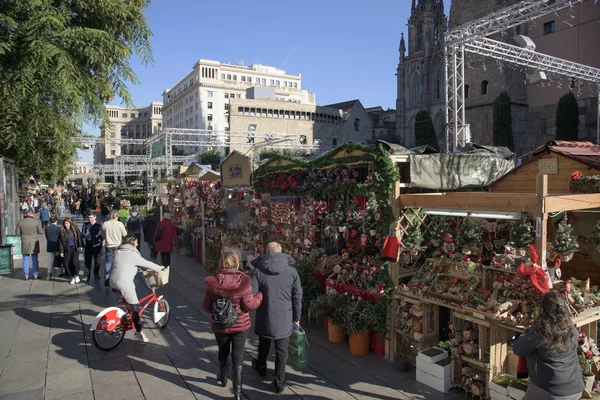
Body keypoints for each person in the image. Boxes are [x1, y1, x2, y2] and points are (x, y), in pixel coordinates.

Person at [203, 252, 263, 400]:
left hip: (220, 325)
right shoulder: (244, 280)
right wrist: (260, 296)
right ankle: (237, 393)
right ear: (237, 263)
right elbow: (249, 305)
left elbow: (207, 307)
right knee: (238, 358)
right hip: (240, 325)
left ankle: (223, 377)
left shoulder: (213, 282)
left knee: (223, 352)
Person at [250, 242, 303, 393]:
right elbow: (297, 296)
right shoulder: (292, 272)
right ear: (281, 252)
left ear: (266, 252)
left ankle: (261, 366)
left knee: (264, 343)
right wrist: (297, 317)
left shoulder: (257, 271)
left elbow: (252, 294)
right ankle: (279, 382)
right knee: (282, 351)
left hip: (265, 314)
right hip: (284, 316)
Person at [513, 291, 584, 400]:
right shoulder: (571, 329)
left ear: (543, 310)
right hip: (575, 387)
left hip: (550, 389)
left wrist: (524, 335)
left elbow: (518, 349)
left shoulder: (540, 333)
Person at [110, 235, 163, 343]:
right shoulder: (132, 254)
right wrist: (159, 268)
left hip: (113, 281)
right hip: (123, 283)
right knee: (135, 309)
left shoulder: (118, 252)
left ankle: (126, 308)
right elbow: (146, 263)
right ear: (132, 243)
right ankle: (139, 332)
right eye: (136, 242)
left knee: (133, 286)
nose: (138, 244)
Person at [16, 210, 44, 280]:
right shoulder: (36, 222)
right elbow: (40, 232)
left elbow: (17, 233)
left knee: (25, 259)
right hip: (34, 242)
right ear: (32, 215)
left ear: (26, 214)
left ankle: (26, 276)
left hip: (24, 242)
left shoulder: (20, 222)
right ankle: (35, 275)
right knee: (35, 259)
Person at [102, 210, 127, 287]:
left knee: (108, 262)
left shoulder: (105, 224)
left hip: (108, 245)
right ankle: (117, 277)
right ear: (117, 216)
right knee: (117, 262)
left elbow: (103, 234)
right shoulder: (120, 224)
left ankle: (107, 276)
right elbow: (125, 234)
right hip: (118, 245)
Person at [58, 217, 84, 284]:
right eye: (65, 223)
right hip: (67, 249)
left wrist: (80, 245)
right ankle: (72, 276)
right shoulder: (62, 231)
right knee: (67, 264)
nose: (66, 224)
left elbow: (79, 237)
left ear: (70, 223)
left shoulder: (75, 229)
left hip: (74, 248)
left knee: (75, 262)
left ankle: (76, 275)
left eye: (67, 223)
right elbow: (60, 242)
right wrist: (61, 251)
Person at [81, 212, 103, 282]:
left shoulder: (99, 225)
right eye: (89, 217)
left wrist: (102, 240)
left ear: (95, 217)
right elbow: (82, 234)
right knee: (87, 261)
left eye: (91, 217)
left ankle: (96, 274)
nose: (90, 219)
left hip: (98, 246)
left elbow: (103, 234)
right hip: (88, 246)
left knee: (98, 261)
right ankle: (87, 275)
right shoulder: (85, 225)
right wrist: (85, 236)